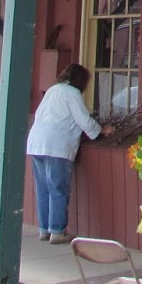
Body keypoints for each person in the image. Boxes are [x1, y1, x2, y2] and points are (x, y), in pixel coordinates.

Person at [26, 63, 111, 243]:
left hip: (37, 142)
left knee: (43, 189)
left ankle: (44, 229)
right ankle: (57, 231)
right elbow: (83, 119)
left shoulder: (52, 90)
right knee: (58, 188)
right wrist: (101, 130)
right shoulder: (72, 93)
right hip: (57, 144)